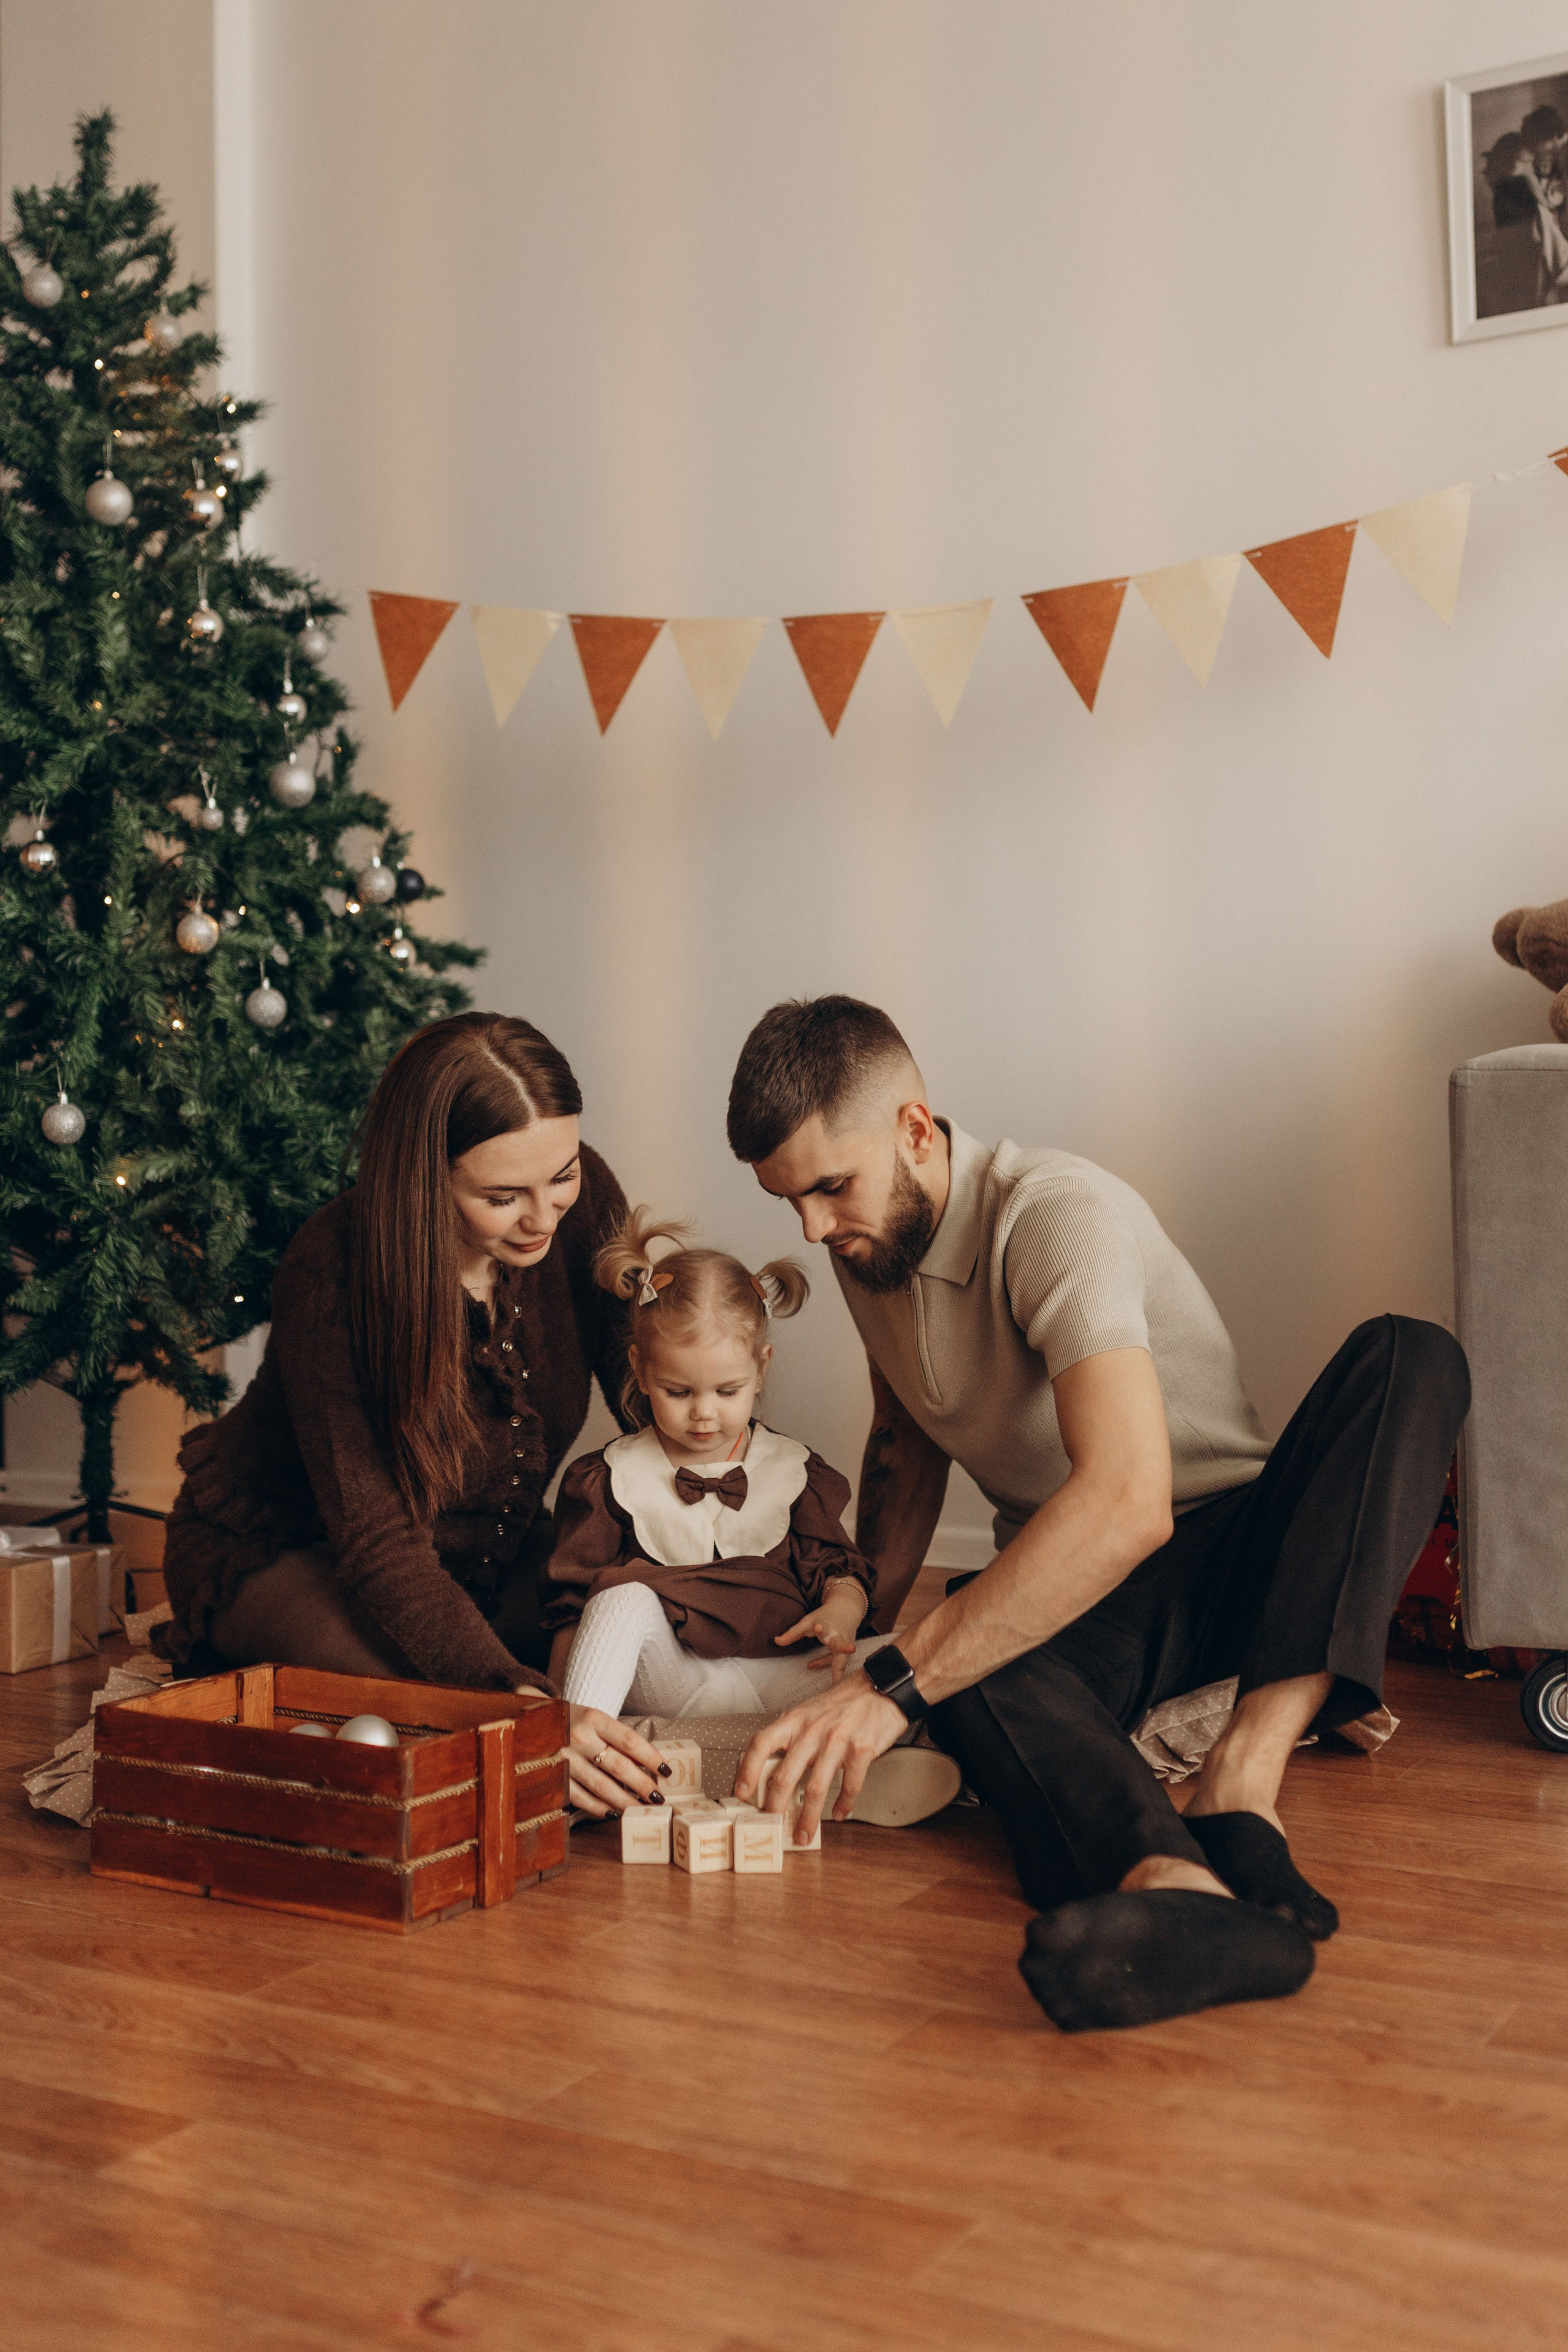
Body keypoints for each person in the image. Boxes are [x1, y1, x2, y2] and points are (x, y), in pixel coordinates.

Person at [723, 996, 1469, 2032]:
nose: (812, 1229)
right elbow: (906, 1437)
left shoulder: (1052, 1214)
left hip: (1241, 1543)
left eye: (829, 1187)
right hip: (1090, 1589)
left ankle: (1240, 1788)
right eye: (788, 1200)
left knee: (1410, 1354)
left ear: (914, 1129)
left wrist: (898, 1684)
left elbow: (1128, 1503)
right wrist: (869, 1648)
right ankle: (1174, 1888)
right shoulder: (872, 1246)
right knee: (973, 1650)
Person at [157, 1011, 665, 1817]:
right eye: (502, 1197)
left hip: (481, 1552)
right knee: (435, 1717)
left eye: (560, 1176)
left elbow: (649, 1397)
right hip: (296, 1548)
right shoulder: (331, 1272)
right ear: (427, 1179)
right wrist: (526, 1714)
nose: (545, 1216)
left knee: (645, 1618)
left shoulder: (583, 1196)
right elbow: (378, 1543)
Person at [543, 1211, 960, 1825]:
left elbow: (838, 1568)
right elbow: (572, 1612)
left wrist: (841, 1613)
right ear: (640, 1371)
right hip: (677, 1679)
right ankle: (576, 1769)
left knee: (918, 1651)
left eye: (726, 1391)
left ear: (760, 1369)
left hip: (780, 1677)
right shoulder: (608, 1478)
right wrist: (563, 1711)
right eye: (679, 1392)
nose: (703, 1414)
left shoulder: (792, 1471)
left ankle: (706, 1763)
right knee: (619, 1601)